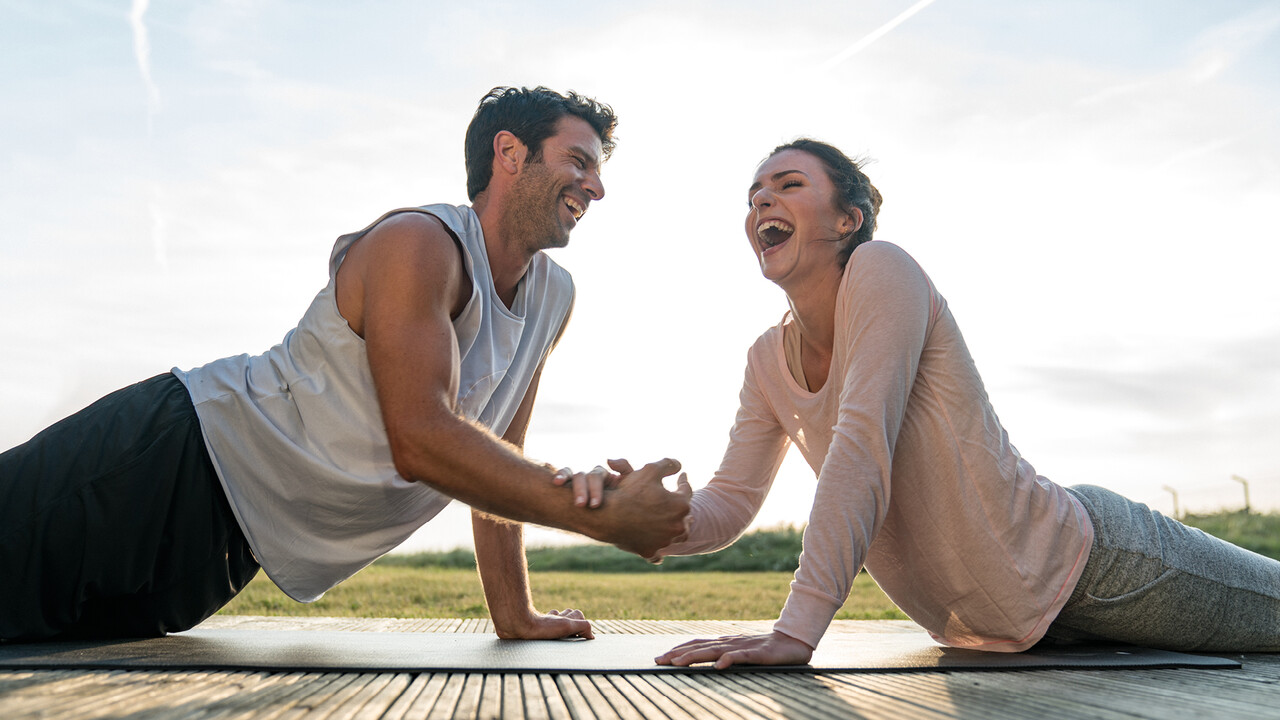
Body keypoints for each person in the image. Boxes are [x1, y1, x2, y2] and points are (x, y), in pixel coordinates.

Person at [0, 86, 691, 644]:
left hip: (226, 554)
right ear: (510, 153)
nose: (596, 187)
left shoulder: (553, 297)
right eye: (580, 160)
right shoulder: (419, 243)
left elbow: (497, 455)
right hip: (169, 459)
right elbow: (423, 439)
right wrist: (597, 515)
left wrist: (514, 616)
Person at [562, 138, 1280, 668]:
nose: (761, 202)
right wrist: (654, 518)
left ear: (849, 219)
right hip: (1003, 635)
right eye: (753, 195)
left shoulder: (882, 269)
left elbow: (861, 445)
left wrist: (797, 630)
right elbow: (731, 502)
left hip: (1095, 564)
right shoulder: (764, 359)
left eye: (787, 185)